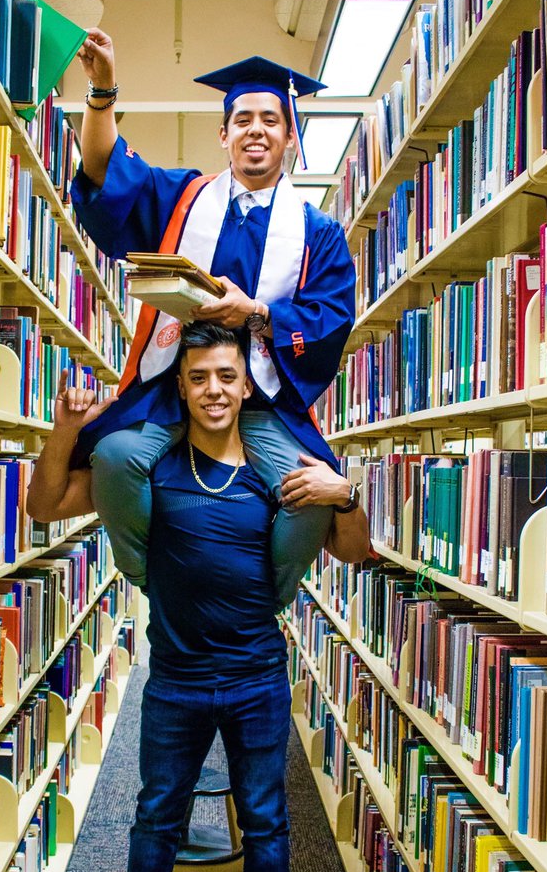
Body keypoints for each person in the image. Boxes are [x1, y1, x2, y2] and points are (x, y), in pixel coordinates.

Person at [28, 321, 369, 872]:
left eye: (225, 376)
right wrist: (65, 427)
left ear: (247, 386)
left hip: (256, 676)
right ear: (179, 389)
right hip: (176, 676)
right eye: (198, 377)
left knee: (267, 823)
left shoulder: (285, 477)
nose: (214, 390)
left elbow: (356, 553)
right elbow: (43, 507)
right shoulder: (148, 468)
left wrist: (346, 493)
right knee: (156, 814)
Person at [68, 31, 358, 609]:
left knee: (310, 495)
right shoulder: (183, 199)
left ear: (290, 138)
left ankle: (259, 603)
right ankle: (154, 582)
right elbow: (104, 175)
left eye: (271, 120)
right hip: (175, 388)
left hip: (257, 398)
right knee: (114, 458)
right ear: (223, 134)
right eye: (243, 118)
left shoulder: (316, 232)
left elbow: (333, 317)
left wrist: (257, 312)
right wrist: (102, 91)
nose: (257, 129)